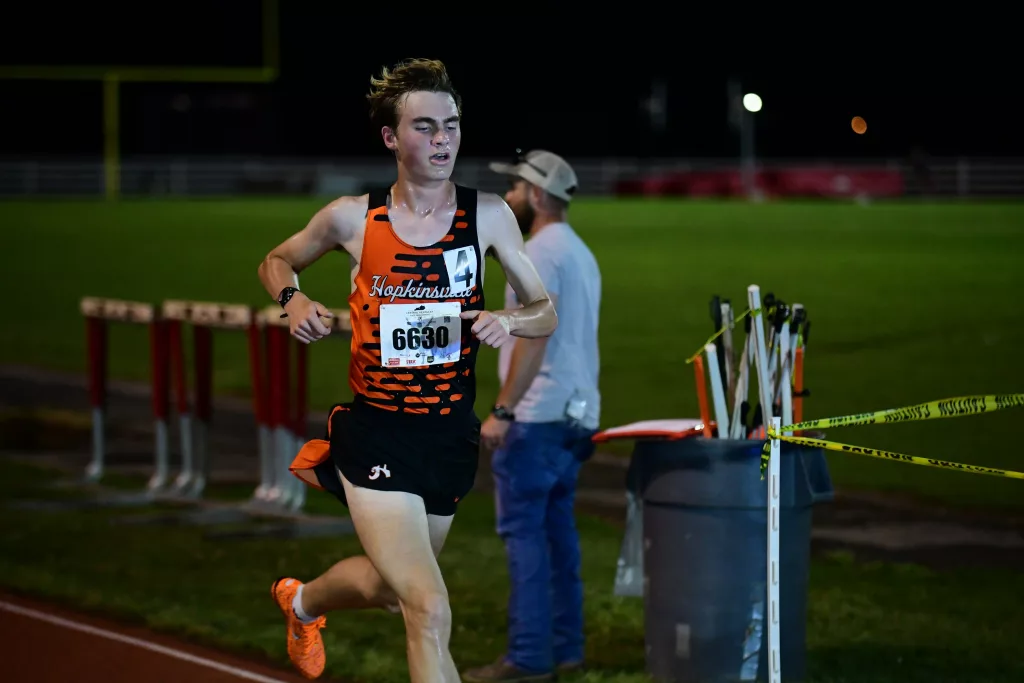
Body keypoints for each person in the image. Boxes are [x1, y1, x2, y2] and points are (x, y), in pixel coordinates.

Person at [256, 59, 558, 682]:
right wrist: (294, 301)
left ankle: (303, 601)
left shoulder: (489, 215)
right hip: (378, 433)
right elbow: (276, 261)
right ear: (391, 137)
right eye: (425, 126)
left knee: (391, 589)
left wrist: (508, 320)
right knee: (429, 605)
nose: (443, 139)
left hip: (448, 436)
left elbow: (544, 311)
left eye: (452, 124)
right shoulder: (353, 218)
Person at [461, 151, 602, 683]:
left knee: (525, 539)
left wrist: (503, 409)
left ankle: (527, 658)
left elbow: (534, 338)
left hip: (537, 416)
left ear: (538, 196)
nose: (510, 197)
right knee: (559, 536)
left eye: (517, 189)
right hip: (577, 414)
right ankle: (567, 648)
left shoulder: (538, 252)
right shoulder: (579, 251)